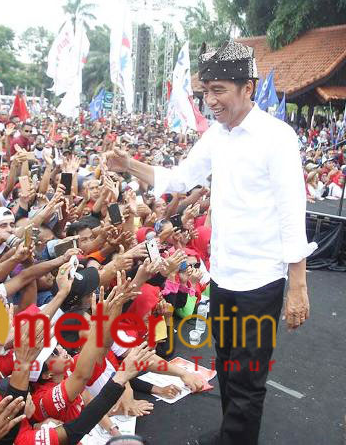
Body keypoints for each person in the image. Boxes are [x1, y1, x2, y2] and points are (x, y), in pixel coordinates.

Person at [107, 40, 315, 445]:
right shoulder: (217, 137)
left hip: (260, 281)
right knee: (226, 363)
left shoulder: (278, 138)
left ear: (247, 88)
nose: (210, 101)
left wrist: (299, 286)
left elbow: (293, 215)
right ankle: (230, 435)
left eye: (219, 90)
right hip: (222, 277)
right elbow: (181, 178)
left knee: (249, 376)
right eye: (205, 92)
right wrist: (129, 164)